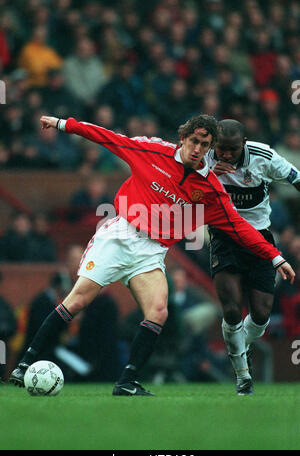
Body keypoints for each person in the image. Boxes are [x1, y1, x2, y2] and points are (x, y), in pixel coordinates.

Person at [10, 113, 295, 397]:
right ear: (183, 138)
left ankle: (127, 381)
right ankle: (24, 364)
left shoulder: (211, 189)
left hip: (151, 251)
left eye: (205, 145)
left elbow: (240, 227)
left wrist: (275, 257)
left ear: (210, 149)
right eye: (194, 141)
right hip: (119, 235)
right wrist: (63, 124)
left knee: (158, 310)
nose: (197, 149)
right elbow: (106, 136)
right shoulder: (151, 150)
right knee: (78, 299)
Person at [205, 119, 300, 394]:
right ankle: (243, 377)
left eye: (231, 149)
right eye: (220, 148)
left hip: (259, 239)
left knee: (260, 314)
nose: (224, 154)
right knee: (232, 310)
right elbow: (179, 179)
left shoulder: (264, 156)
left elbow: (295, 178)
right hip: (224, 236)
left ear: (243, 144)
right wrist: (207, 170)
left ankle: (240, 346)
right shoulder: (205, 157)